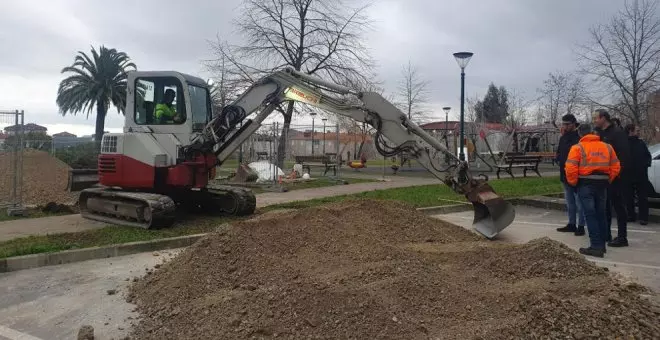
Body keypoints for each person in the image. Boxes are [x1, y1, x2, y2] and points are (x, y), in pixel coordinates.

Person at [565, 123, 621, 258]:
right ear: (592, 132)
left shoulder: (577, 148)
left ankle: (596, 246)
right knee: (601, 213)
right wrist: (608, 179)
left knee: (590, 214)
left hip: (585, 183)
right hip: (602, 183)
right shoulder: (607, 147)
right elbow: (616, 166)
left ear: (580, 134)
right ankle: (601, 244)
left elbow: (570, 168)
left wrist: (574, 184)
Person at [592, 109, 630, 247]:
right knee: (605, 207)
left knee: (619, 206)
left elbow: (623, 156)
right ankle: (606, 233)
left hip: (616, 177)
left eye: (596, 118)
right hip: (603, 177)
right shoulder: (600, 134)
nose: (594, 120)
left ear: (603, 118)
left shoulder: (617, 133)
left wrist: (616, 174)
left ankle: (622, 237)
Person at [555, 114, 586, 235]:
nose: (565, 126)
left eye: (567, 124)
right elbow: (559, 152)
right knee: (570, 202)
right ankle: (571, 223)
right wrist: (557, 158)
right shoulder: (563, 138)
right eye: (564, 124)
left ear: (574, 124)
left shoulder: (579, 137)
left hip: (577, 175)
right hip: (565, 174)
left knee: (580, 202)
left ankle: (581, 225)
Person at [624, 123, 652, 225]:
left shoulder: (641, 143)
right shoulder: (624, 143)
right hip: (628, 175)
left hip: (641, 175)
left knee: (642, 197)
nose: (639, 132)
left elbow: (648, 156)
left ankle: (643, 218)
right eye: (637, 130)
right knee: (628, 197)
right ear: (630, 131)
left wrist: (646, 164)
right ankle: (631, 215)